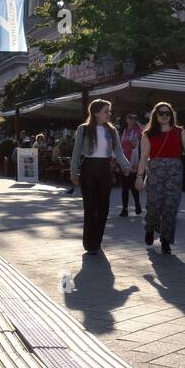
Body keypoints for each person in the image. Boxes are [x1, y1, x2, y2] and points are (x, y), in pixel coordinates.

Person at [69, 99, 131, 253]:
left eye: (109, 111)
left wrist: (125, 166)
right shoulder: (83, 129)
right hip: (88, 168)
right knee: (90, 207)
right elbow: (76, 152)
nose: (109, 114)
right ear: (96, 113)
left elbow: (118, 151)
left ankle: (97, 240)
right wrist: (74, 172)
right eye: (106, 111)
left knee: (104, 206)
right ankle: (89, 244)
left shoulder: (112, 130)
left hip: (105, 168)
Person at [135, 101, 185, 254]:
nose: (164, 116)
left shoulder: (179, 131)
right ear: (155, 115)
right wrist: (139, 177)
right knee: (153, 204)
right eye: (161, 113)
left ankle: (166, 240)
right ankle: (150, 228)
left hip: (175, 171)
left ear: (171, 115)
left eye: (167, 113)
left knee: (171, 206)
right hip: (155, 170)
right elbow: (143, 157)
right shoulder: (148, 134)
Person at [118, 111, 143, 217]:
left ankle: (137, 204)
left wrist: (136, 139)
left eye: (135, 118)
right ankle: (125, 209)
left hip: (133, 161)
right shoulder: (123, 130)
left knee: (133, 185)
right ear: (126, 119)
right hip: (123, 161)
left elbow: (134, 144)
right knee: (124, 186)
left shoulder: (138, 129)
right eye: (130, 117)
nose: (133, 120)